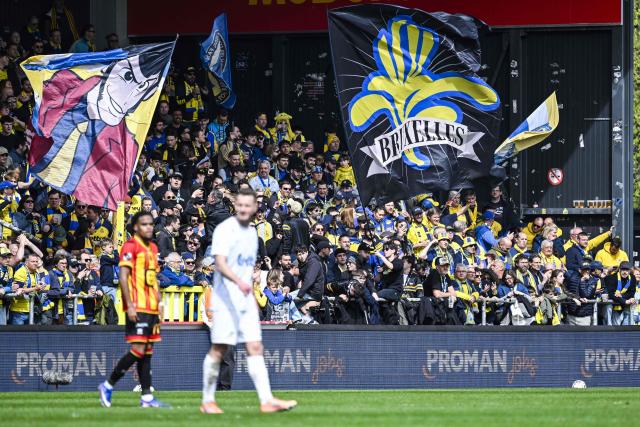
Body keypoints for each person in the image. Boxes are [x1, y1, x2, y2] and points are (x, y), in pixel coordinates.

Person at [200, 188, 296, 414]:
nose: (243, 209)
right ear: (236, 207)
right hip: (225, 298)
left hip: (244, 298)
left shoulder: (252, 234)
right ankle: (207, 400)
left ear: (254, 208)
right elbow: (220, 263)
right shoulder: (225, 229)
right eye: (240, 205)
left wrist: (250, 279)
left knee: (255, 347)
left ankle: (267, 400)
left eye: (247, 205)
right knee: (219, 349)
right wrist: (238, 280)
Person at [99, 211, 167, 408]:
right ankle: (108, 385)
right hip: (137, 305)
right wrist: (129, 305)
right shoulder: (129, 246)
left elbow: (153, 279)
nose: (149, 227)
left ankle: (147, 398)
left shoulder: (153, 247)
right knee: (138, 349)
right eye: (144, 224)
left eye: (151, 224)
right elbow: (123, 276)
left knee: (147, 351)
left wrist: (160, 302)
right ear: (135, 227)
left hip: (152, 306)